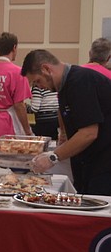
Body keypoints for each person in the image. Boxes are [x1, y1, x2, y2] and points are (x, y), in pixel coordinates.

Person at [22, 49, 111, 194]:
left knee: (97, 211)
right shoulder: (64, 86)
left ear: (46, 69)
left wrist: (53, 157)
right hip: (89, 162)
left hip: (104, 162)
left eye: (37, 81)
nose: (38, 87)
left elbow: (89, 133)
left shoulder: (80, 81)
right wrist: (63, 134)